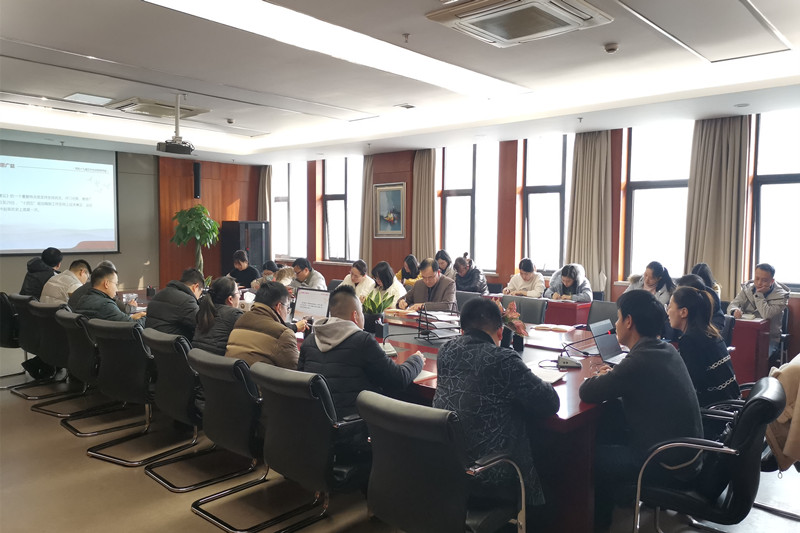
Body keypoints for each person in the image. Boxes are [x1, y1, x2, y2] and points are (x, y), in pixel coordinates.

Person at [579, 290, 702, 528]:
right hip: (686, 455)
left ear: (629, 321)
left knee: (589, 458)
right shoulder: (665, 349)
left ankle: (598, 526)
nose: (615, 324)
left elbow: (588, 392)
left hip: (666, 464)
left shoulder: (638, 361)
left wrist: (606, 377)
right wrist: (616, 376)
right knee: (611, 424)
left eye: (618, 318)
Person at [433, 297, 560, 506]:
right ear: (500, 333)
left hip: (449, 469)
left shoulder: (445, 351)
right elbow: (550, 403)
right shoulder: (503, 359)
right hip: (490, 476)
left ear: (462, 332)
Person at [298, 285, 425, 417]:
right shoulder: (362, 341)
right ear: (355, 315)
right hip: (354, 424)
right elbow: (398, 379)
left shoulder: (309, 341)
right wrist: (417, 360)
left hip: (313, 421)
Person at [668, 286, 740, 407]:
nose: (667, 312)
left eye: (670, 306)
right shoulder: (709, 332)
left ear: (683, 312)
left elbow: (687, 385)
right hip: (730, 404)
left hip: (714, 411)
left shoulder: (690, 340)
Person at [225, 281, 299, 369]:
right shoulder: (283, 334)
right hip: (258, 377)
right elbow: (295, 370)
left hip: (232, 376)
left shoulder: (240, 320)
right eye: (287, 307)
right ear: (278, 307)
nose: (287, 312)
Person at [727, 263, 790, 357]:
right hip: (745, 333)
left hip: (768, 338)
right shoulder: (747, 289)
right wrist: (734, 311)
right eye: (757, 278)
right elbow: (733, 304)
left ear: (772, 281)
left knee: (756, 358)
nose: (759, 283)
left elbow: (766, 314)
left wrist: (759, 295)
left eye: (764, 280)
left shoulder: (782, 296)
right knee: (731, 354)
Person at [144, 268, 204, 340]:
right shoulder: (187, 301)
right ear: (196, 287)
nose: (198, 297)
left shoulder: (158, 295)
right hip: (172, 345)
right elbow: (203, 326)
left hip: (153, 344)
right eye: (200, 293)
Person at [73, 265, 146, 324]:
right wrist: (148, 318)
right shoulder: (105, 304)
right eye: (115, 284)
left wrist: (132, 317)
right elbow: (133, 325)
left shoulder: (83, 299)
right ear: (106, 284)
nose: (116, 289)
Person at [192, 277, 243, 356]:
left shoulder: (203, 310)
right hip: (218, 361)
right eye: (238, 292)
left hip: (195, 359)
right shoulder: (235, 314)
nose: (239, 296)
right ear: (230, 299)